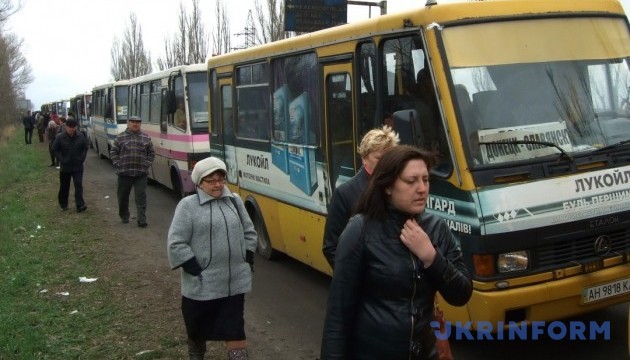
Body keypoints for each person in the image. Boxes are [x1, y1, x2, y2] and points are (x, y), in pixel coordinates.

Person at [320, 145, 473, 360]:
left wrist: (431, 256)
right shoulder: (360, 230)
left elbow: (462, 294)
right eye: (411, 181)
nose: (422, 189)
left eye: (426, 180)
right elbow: (338, 316)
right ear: (388, 186)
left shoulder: (436, 228)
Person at [167, 157, 257, 360]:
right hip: (202, 286)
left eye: (220, 179)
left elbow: (249, 232)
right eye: (211, 180)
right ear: (199, 182)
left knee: (235, 328)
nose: (217, 185)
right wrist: (195, 268)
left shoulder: (234, 201)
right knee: (197, 329)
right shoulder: (188, 206)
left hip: (233, 284)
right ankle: (196, 355)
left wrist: (247, 256)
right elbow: (176, 242)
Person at [322, 125, 399, 268]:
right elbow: (331, 247)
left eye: (388, 158)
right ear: (364, 158)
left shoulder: (400, 189)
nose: (385, 164)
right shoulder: (345, 193)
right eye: (379, 158)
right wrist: (357, 278)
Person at [110, 116, 155, 227]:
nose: (135, 124)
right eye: (133, 122)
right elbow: (113, 152)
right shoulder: (120, 137)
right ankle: (124, 216)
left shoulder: (146, 138)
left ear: (140, 124)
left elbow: (151, 153)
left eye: (138, 122)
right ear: (128, 123)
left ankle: (141, 220)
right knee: (123, 197)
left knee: (141, 197)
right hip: (124, 174)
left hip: (141, 174)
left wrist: (147, 165)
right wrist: (118, 164)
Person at [51, 118, 89, 212]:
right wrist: (61, 159)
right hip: (65, 166)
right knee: (64, 186)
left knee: (78, 185)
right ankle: (63, 204)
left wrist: (82, 158)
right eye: (69, 127)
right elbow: (54, 149)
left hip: (78, 165)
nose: (71, 129)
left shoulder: (80, 136)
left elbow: (85, 147)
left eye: (73, 128)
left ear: (75, 127)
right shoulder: (60, 137)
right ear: (66, 127)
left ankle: (80, 205)